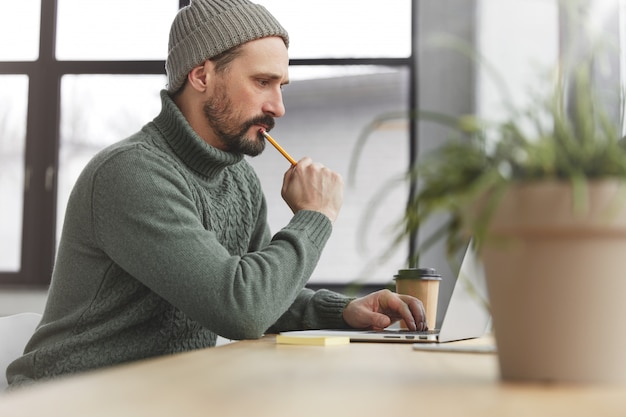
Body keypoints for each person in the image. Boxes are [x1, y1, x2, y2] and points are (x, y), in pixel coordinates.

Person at [7, 0, 426, 387]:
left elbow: (265, 296)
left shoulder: (239, 180)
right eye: (263, 82)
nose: (278, 106)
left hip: (161, 394)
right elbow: (241, 309)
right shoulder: (132, 173)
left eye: (282, 86)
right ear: (202, 75)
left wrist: (341, 311)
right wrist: (315, 217)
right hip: (69, 399)